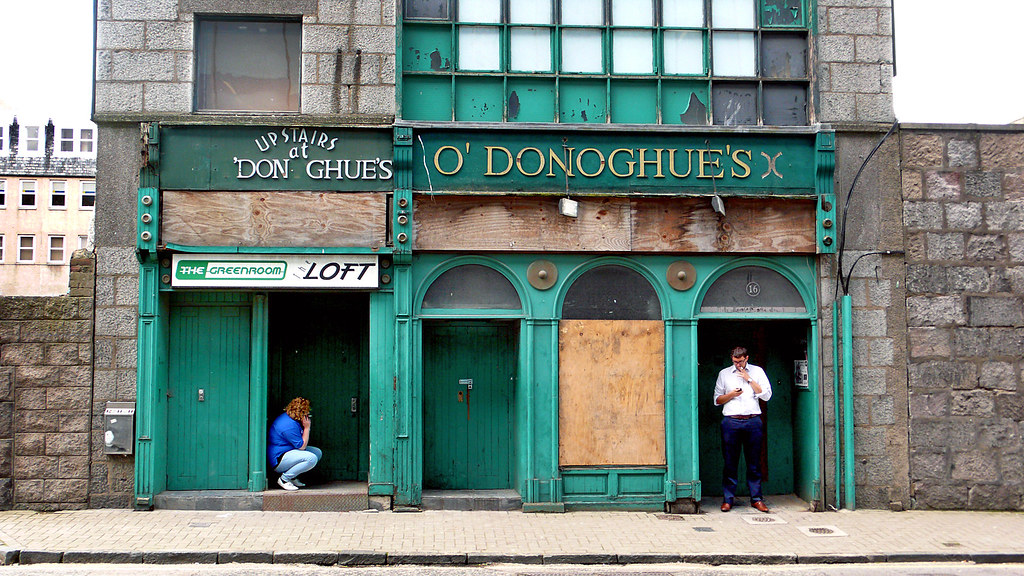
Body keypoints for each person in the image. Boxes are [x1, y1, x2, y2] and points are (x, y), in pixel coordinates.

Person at [713, 346, 772, 513]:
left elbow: (766, 395)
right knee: (730, 462)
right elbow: (717, 400)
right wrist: (731, 394)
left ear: (746, 358)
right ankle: (728, 499)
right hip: (731, 421)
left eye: (740, 361)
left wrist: (749, 379)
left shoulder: (757, 371)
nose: (737, 365)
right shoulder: (724, 374)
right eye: (735, 362)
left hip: (752, 420)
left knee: (754, 462)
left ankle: (756, 499)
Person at [267, 397, 322, 491]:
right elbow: (302, 446)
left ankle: (292, 477)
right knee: (311, 458)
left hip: (288, 450)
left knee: (317, 452)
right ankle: (284, 479)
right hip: (278, 458)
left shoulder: (291, 418)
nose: (308, 414)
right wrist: (307, 428)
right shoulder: (288, 425)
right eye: (306, 412)